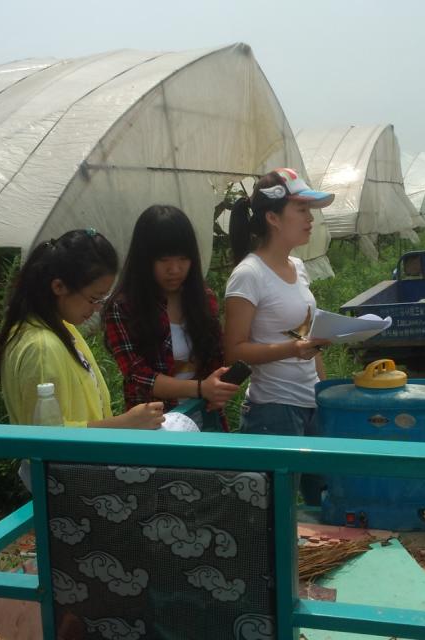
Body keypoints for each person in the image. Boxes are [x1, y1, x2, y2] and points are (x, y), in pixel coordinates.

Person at [223, 168, 332, 502]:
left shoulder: (297, 267)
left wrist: (325, 392)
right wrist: (292, 350)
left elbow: (307, 336)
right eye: (301, 209)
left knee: (323, 501)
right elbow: (234, 351)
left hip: (311, 404)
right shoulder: (249, 275)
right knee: (274, 510)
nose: (309, 218)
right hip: (273, 411)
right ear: (272, 217)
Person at [0, 229, 163, 429]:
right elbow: (46, 435)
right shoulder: (41, 348)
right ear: (59, 287)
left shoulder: (61, 328)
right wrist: (124, 424)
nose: (97, 308)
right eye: (93, 298)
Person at [103, 205, 238, 427]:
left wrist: (218, 389)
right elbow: (137, 374)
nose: (174, 269)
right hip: (158, 426)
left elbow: (215, 356)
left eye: (183, 258)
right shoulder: (123, 307)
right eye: (164, 260)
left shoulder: (203, 298)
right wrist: (201, 388)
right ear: (144, 259)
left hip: (204, 419)